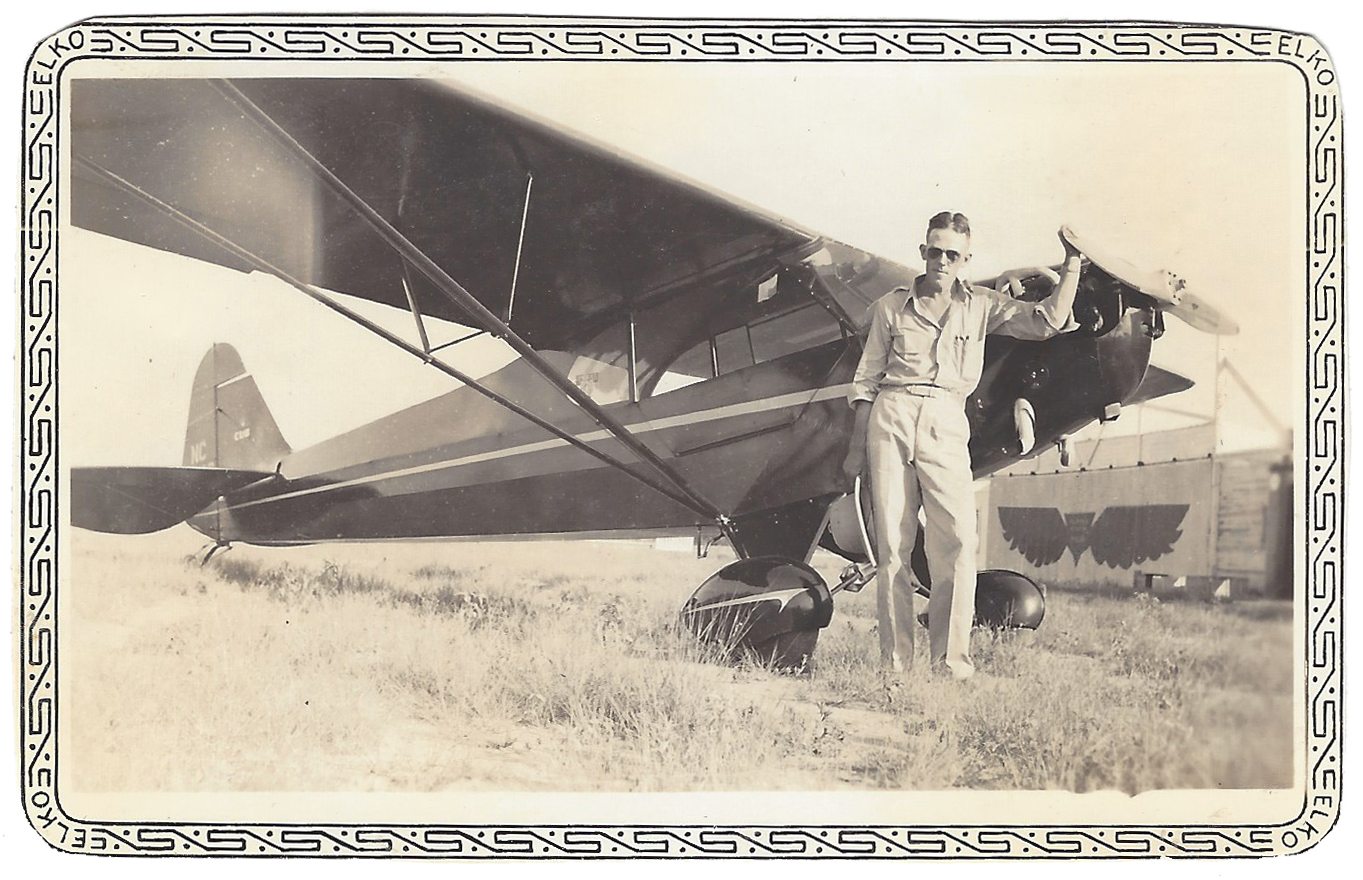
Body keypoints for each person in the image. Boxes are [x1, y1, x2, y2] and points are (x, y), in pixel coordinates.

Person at [842, 212, 1084, 681]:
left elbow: (1047, 322)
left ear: (965, 259)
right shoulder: (891, 307)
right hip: (891, 415)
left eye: (953, 254)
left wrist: (1072, 264)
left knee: (957, 541)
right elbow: (866, 381)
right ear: (923, 252)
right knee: (893, 546)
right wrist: (855, 450)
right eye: (935, 251)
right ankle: (895, 667)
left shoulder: (981, 306)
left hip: (947, 419)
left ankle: (951, 665)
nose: (942, 260)